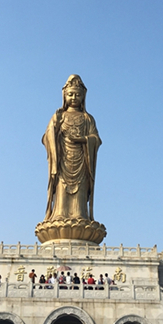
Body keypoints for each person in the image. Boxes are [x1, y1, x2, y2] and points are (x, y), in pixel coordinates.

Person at [42, 75, 101, 222]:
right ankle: (59, 214)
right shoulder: (59, 116)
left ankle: (80, 214)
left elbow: (96, 139)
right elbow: (47, 137)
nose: (74, 97)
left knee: (80, 192)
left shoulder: (87, 118)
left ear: (83, 97)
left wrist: (83, 139)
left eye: (77, 95)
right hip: (63, 160)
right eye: (70, 94)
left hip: (82, 161)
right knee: (61, 188)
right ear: (64, 96)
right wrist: (55, 127)